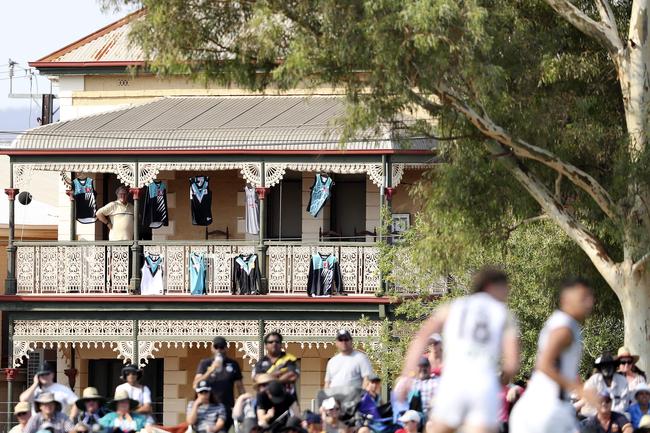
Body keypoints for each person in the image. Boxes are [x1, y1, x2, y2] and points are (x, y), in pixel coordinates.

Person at [398, 266, 520, 433]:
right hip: (483, 382)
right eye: (505, 287)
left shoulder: (454, 306)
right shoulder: (504, 314)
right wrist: (502, 381)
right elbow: (512, 364)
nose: (507, 293)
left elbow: (421, 337)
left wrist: (407, 376)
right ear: (490, 286)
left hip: (454, 380)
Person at [509, 277, 597, 433]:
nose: (589, 302)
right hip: (547, 409)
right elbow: (543, 364)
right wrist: (580, 389)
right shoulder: (565, 328)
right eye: (583, 297)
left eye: (590, 297)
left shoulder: (561, 323)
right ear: (566, 300)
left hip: (535, 409)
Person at [194, 336, 245, 421]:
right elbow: (195, 385)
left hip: (227, 408)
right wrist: (210, 370)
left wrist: (243, 404)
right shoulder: (205, 363)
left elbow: (240, 387)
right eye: (216, 347)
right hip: (208, 409)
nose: (219, 350)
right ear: (212, 348)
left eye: (221, 347)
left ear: (226, 348)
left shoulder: (233, 364)